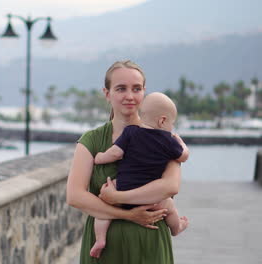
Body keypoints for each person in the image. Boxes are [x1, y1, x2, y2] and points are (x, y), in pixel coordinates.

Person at [66, 60, 183, 264]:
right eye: (121, 88)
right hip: (105, 252)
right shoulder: (91, 141)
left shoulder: (164, 137)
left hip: (150, 245)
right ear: (107, 93)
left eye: (136, 89)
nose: (129, 96)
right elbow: (75, 196)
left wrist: (117, 196)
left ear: (144, 93)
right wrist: (128, 215)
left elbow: (170, 186)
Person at [89, 92, 190, 259]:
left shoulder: (130, 132)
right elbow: (183, 157)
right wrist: (182, 144)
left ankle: (100, 239)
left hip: (123, 188)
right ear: (162, 120)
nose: (172, 127)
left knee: (103, 207)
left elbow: (115, 153)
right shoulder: (168, 140)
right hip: (152, 199)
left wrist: (100, 157)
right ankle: (177, 227)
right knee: (170, 207)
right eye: (173, 123)